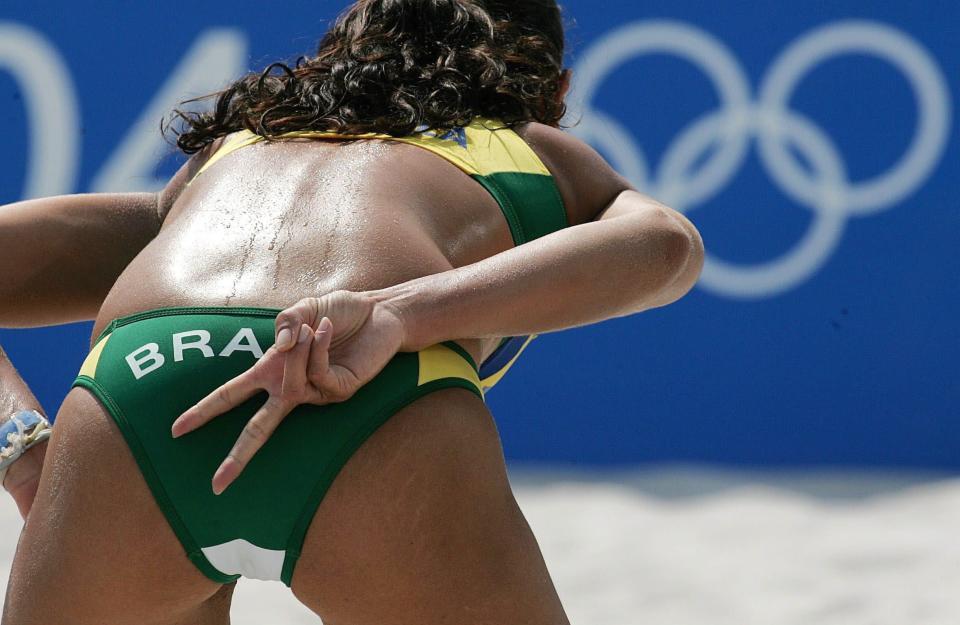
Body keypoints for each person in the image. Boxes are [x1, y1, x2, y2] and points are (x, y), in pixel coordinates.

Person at [0, 0, 703, 623]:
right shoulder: (527, 146)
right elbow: (668, 247)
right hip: (369, 400)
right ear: (554, 91)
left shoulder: (232, 152)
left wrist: (21, 447)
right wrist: (400, 312)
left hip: (140, 390)